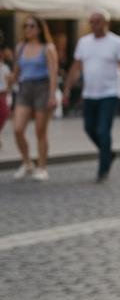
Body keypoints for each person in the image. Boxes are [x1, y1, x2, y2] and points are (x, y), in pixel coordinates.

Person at [63, 11, 120, 182]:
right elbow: (76, 67)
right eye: (91, 22)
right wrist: (67, 89)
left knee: (103, 130)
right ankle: (108, 153)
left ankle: (103, 169)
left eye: (97, 22)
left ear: (106, 23)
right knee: (89, 128)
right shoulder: (84, 42)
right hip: (90, 93)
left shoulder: (117, 42)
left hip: (110, 92)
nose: (94, 25)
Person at [10, 16, 60, 181]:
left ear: (39, 28)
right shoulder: (21, 47)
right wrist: (8, 83)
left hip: (42, 88)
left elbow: (53, 74)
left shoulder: (48, 48)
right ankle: (27, 162)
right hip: (25, 88)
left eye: (31, 26)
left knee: (40, 131)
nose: (27, 29)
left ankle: (42, 167)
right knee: (17, 129)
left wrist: (52, 95)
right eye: (25, 26)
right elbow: (16, 72)